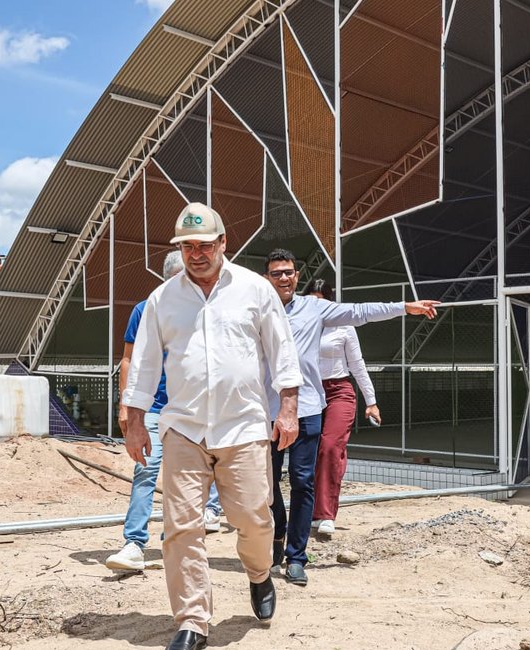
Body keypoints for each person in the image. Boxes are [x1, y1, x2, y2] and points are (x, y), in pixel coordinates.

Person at [122, 203, 304, 650]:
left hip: (243, 427)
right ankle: (192, 621)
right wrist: (135, 421)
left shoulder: (254, 289)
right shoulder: (164, 299)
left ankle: (259, 575)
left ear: (224, 243)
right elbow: (143, 363)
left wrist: (288, 407)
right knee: (181, 526)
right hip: (183, 427)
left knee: (253, 518)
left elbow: (282, 351)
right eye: (187, 246)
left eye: (205, 244)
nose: (196, 253)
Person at [262, 249, 438, 587]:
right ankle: (275, 541)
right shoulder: (258, 307)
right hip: (267, 411)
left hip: (308, 407)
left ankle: (296, 556)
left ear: (296, 276)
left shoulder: (314, 308)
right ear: (267, 278)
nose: (283, 278)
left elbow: (359, 312)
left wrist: (403, 307)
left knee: (302, 481)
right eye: (276, 273)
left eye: (288, 272)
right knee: (267, 485)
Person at [105, 251, 225, 573]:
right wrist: (127, 409)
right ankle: (134, 544)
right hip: (155, 408)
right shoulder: (145, 310)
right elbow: (129, 360)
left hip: (189, 410)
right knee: (146, 470)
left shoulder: (205, 310)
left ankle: (176, 539)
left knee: (186, 477)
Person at [307, 279, 379, 537]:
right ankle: (310, 511)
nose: (318, 306)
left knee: (330, 446)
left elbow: (357, 364)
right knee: (311, 451)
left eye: (322, 301)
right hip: (310, 392)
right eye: (312, 301)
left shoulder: (344, 325)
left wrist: (371, 401)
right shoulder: (303, 324)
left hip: (339, 391)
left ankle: (325, 514)